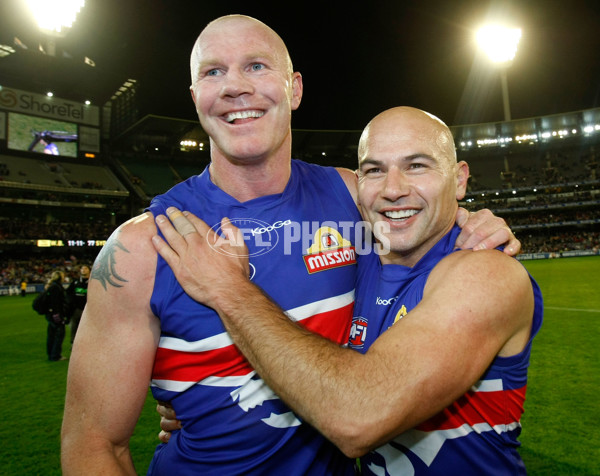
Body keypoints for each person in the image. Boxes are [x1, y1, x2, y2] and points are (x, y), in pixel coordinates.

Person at [61, 15, 519, 476]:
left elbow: (417, 207)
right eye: (213, 71)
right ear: (196, 97)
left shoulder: (351, 197)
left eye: (256, 66)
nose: (235, 86)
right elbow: (93, 444)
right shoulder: (144, 246)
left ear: (295, 89)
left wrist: (474, 222)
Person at [152, 106, 543, 475]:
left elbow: (359, 416)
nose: (393, 189)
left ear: (458, 179)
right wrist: (204, 403)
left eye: (417, 166)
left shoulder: (488, 273)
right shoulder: (356, 260)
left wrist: (227, 288)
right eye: (375, 170)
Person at [44, 270, 68, 362]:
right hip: (55, 314)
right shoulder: (56, 287)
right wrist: (57, 316)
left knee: (51, 334)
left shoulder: (52, 286)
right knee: (59, 334)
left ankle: (51, 353)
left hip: (51, 314)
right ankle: (55, 355)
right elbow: (55, 303)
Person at [65, 264, 90, 344]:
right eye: (82, 268)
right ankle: (73, 344)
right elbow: (68, 293)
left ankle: (86, 344)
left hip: (88, 311)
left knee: (87, 329)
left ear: (89, 271)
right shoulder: (75, 282)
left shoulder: (93, 282)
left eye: (85, 268)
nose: (83, 270)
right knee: (74, 328)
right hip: (76, 310)